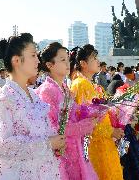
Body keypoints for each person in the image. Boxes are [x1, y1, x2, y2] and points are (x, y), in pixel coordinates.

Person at [0, 34, 64, 180]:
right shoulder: (6, 97)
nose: (38, 60)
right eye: (33, 55)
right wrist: (47, 143)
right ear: (16, 60)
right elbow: (2, 145)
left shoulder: (33, 94)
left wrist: (55, 141)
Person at [35, 42, 99, 180]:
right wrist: (84, 126)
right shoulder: (47, 91)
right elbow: (54, 128)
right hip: (61, 153)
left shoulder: (65, 89)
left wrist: (93, 111)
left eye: (67, 59)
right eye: (62, 59)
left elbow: (76, 113)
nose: (67, 63)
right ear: (49, 65)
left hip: (75, 148)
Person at [70, 44, 124, 180]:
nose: (98, 61)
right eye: (94, 58)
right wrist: (111, 131)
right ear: (83, 63)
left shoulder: (90, 84)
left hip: (103, 142)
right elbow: (87, 120)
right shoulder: (81, 84)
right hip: (96, 145)